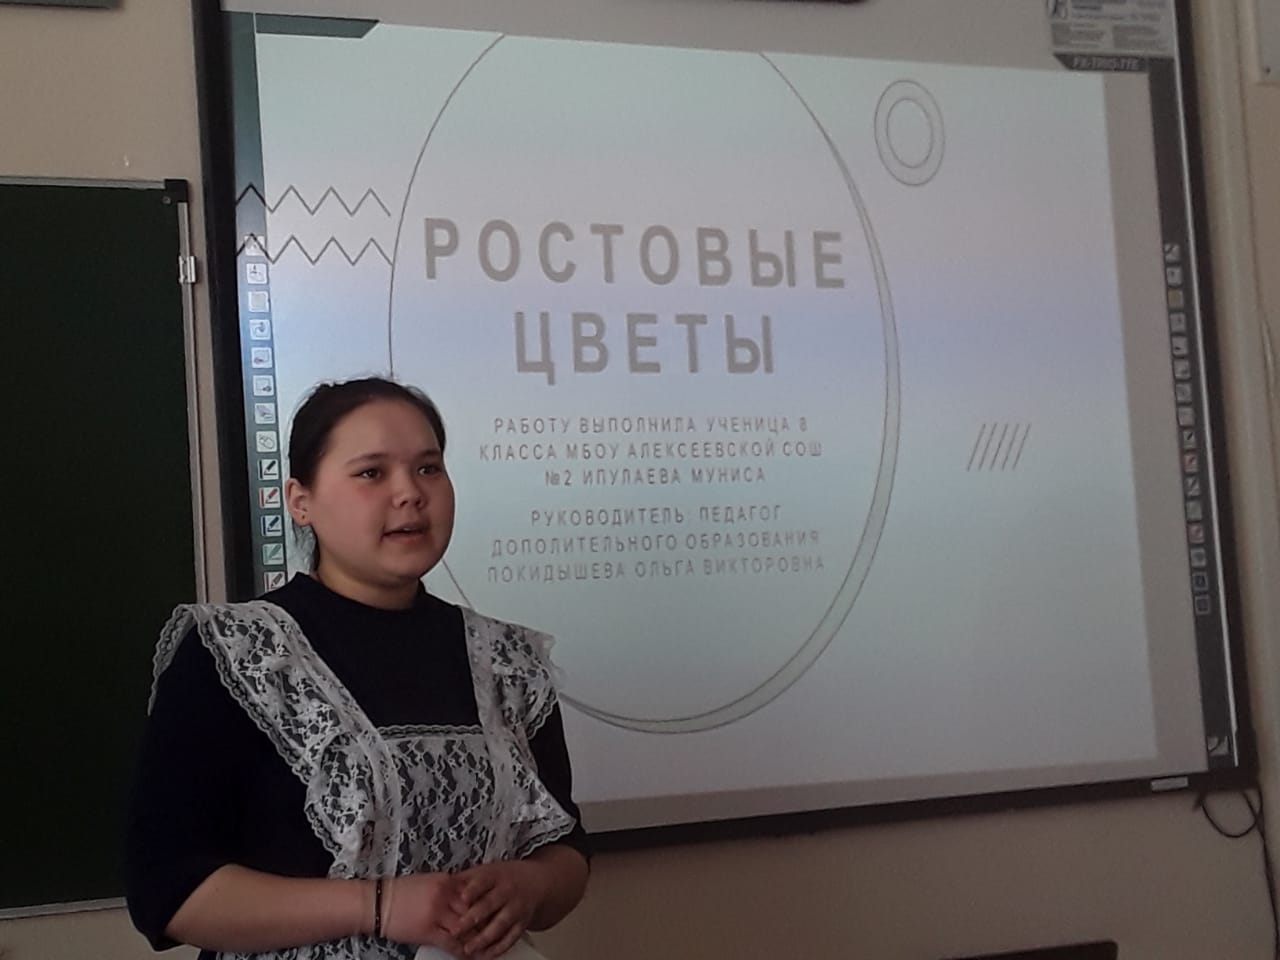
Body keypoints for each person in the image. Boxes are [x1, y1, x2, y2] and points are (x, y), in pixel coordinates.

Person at [126, 377, 590, 960]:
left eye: (428, 468)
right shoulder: (235, 653)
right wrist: (381, 906)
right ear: (300, 501)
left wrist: (533, 885)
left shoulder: (506, 660)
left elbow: (567, 847)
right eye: (371, 472)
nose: (410, 493)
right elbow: (168, 892)